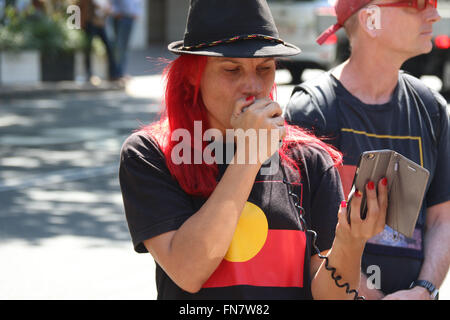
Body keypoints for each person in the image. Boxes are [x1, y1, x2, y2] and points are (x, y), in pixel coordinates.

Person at [119, 0, 388, 300]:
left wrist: (351, 242)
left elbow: (329, 296)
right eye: (232, 69)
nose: (253, 86)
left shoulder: (310, 159)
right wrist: (248, 155)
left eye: (264, 68)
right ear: (193, 74)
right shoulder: (152, 153)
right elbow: (189, 270)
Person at [284, 0, 450, 300]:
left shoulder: (432, 108)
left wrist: (424, 290)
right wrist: (367, 295)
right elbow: (303, 236)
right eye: (418, 4)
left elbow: (443, 216)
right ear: (370, 19)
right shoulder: (312, 110)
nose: (434, 14)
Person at [79, 0, 116, 82]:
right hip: (90, 24)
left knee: (109, 48)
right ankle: (88, 74)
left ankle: (113, 74)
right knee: (88, 49)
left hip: (101, 24)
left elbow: (108, 9)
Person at [110, 0, 141, 80]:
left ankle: (120, 73)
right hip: (122, 17)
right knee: (121, 47)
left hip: (127, 17)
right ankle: (118, 73)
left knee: (123, 47)